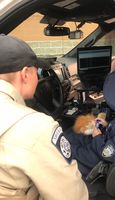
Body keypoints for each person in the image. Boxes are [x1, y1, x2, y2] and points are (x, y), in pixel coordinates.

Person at [0, 34, 88, 200]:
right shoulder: (36, 127)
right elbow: (71, 196)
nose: (39, 77)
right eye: (37, 72)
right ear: (25, 74)